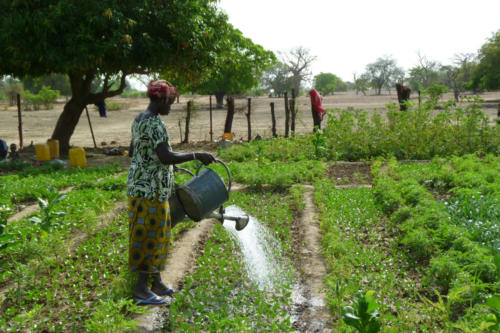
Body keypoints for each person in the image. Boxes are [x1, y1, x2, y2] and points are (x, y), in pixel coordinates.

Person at [127, 80, 215, 305]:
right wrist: (196, 155)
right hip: (150, 191)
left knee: (161, 234)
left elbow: (134, 151)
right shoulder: (155, 123)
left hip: (144, 187)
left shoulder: (139, 119)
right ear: (161, 99)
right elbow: (165, 155)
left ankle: (156, 283)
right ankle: (140, 290)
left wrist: (163, 163)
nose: (171, 106)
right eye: (170, 102)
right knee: (151, 237)